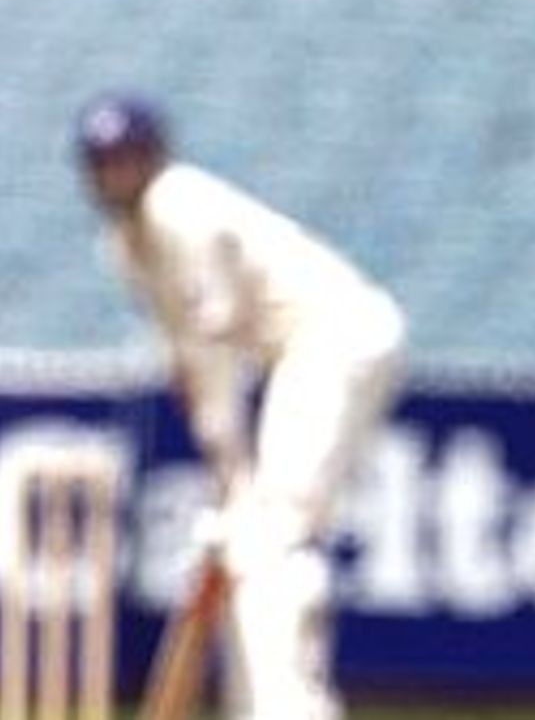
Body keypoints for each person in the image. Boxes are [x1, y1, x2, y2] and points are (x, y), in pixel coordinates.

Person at [76, 94, 406, 720]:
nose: (117, 175)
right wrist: (229, 471)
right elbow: (187, 356)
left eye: (127, 159)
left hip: (336, 338)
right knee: (253, 543)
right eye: (104, 163)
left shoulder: (180, 204)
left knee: (272, 535)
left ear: (154, 155)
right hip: (302, 352)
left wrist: (234, 468)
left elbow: (214, 340)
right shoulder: (126, 246)